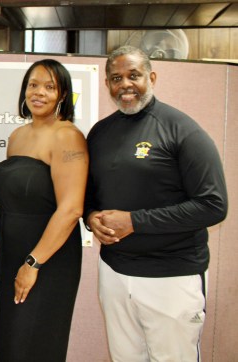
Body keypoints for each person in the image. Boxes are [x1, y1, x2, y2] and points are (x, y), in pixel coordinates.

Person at [85, 45, 228, 361]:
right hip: (115, 274)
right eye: (116, 78)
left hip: (172, 277)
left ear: (151, 77)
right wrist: (91, 216)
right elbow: (90, 196)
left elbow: (214, 205)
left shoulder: (183, 130)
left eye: (133, 75)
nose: (125, 84)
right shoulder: (99, 134)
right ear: (107, 83)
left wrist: (134, 222)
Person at [0, 59, 87, 361]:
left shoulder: (67, 136)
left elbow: (71, 209)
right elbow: (9, 200)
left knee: (36, 342)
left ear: (63, 95)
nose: (39, 92)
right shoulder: (17, 136)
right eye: (33, 85)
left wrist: (33, 264)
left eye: (49, 86)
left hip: (48, 259)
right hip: (11, 252)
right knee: (11, 343)